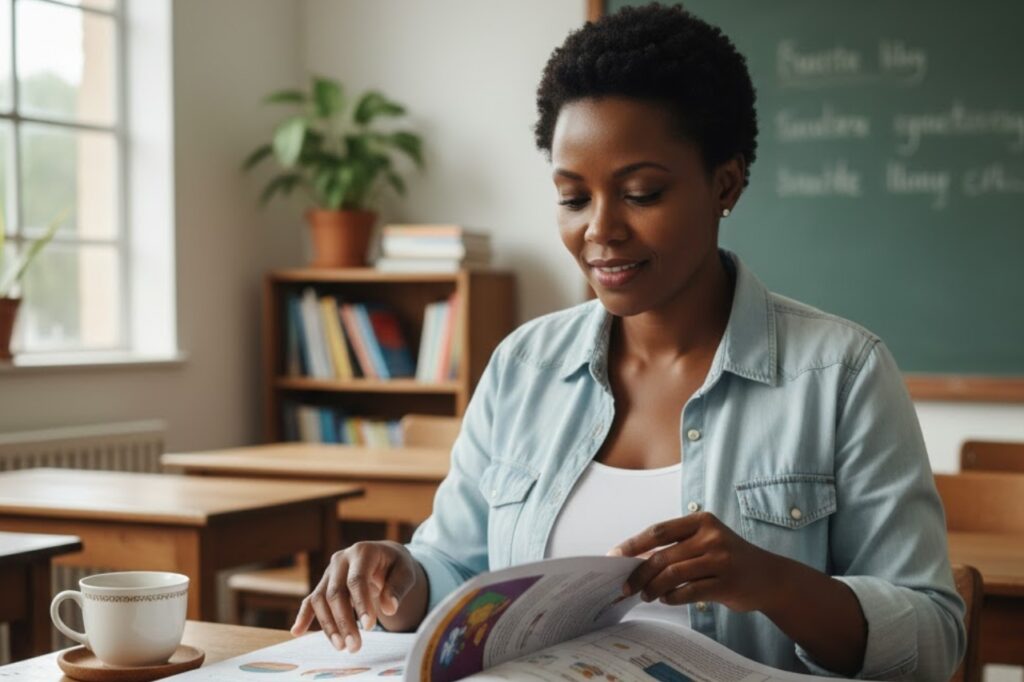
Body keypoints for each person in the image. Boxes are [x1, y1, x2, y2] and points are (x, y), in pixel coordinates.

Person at [290, 4, 965, 678]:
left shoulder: (841, 375)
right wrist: (397, 575)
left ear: (724, 184)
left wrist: (775, 583)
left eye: (641, 193)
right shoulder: (522, 368)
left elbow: (933, 639)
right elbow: (455, 573)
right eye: (574, 197)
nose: (600, 230)